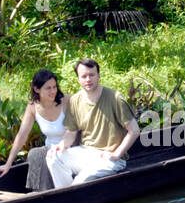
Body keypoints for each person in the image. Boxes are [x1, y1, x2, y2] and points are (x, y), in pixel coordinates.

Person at [47, 58, 141, 186]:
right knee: (53, 158)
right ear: (78, 79)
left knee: (82, 179)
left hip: (109, 157)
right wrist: (62, 145)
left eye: (91, 75)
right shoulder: (75, 100)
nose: (88, 79)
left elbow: (134, 131)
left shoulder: (115, 98)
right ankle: (65, 198)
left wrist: (116, 154)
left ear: (98, 76)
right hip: (85, 152)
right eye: (84, 76)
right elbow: (71, 132)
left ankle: (71, 197)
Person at [0, 70, 78, 190]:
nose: (53, 91)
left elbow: (73, 130)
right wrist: (8, 164)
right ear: (36, 89)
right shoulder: (32, 107)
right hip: (50, 149)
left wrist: (60, 148)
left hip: (71, 148)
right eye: (48, 88)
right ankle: (40, 192)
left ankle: (47, 192)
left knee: (50, 157)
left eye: (54, 87)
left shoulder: (66, 101)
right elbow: (22, 135)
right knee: (35, 154)